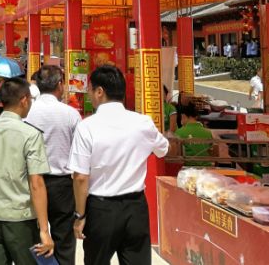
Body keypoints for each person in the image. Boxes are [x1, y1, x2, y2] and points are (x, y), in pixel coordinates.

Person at [69, 65, 170, 265]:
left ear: (100, 91)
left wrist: (80, 216)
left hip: (101, 209)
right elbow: (163, 149)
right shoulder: (142, 122)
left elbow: (80, 177)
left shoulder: (87, 126)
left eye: (90, 90)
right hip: (136, 207)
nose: (89, 94)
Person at [0, 78, 54, 265]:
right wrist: (44, 230)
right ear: (24, 99)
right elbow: (36, 183)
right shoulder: (30, 134)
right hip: (20, 218)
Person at [24, 65, 80, 265]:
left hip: (30, 181)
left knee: (32, 237)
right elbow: (78, 152)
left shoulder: (27, 112)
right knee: (64, 238)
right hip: (61, 185)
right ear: (59, 84)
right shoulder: (70, 114)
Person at [174, 102, 213, 166]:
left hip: (188, 169)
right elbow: (211, 151)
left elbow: (177, 154)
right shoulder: (207, 132)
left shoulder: (179, 132)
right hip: (206, 168)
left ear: (184, 116)